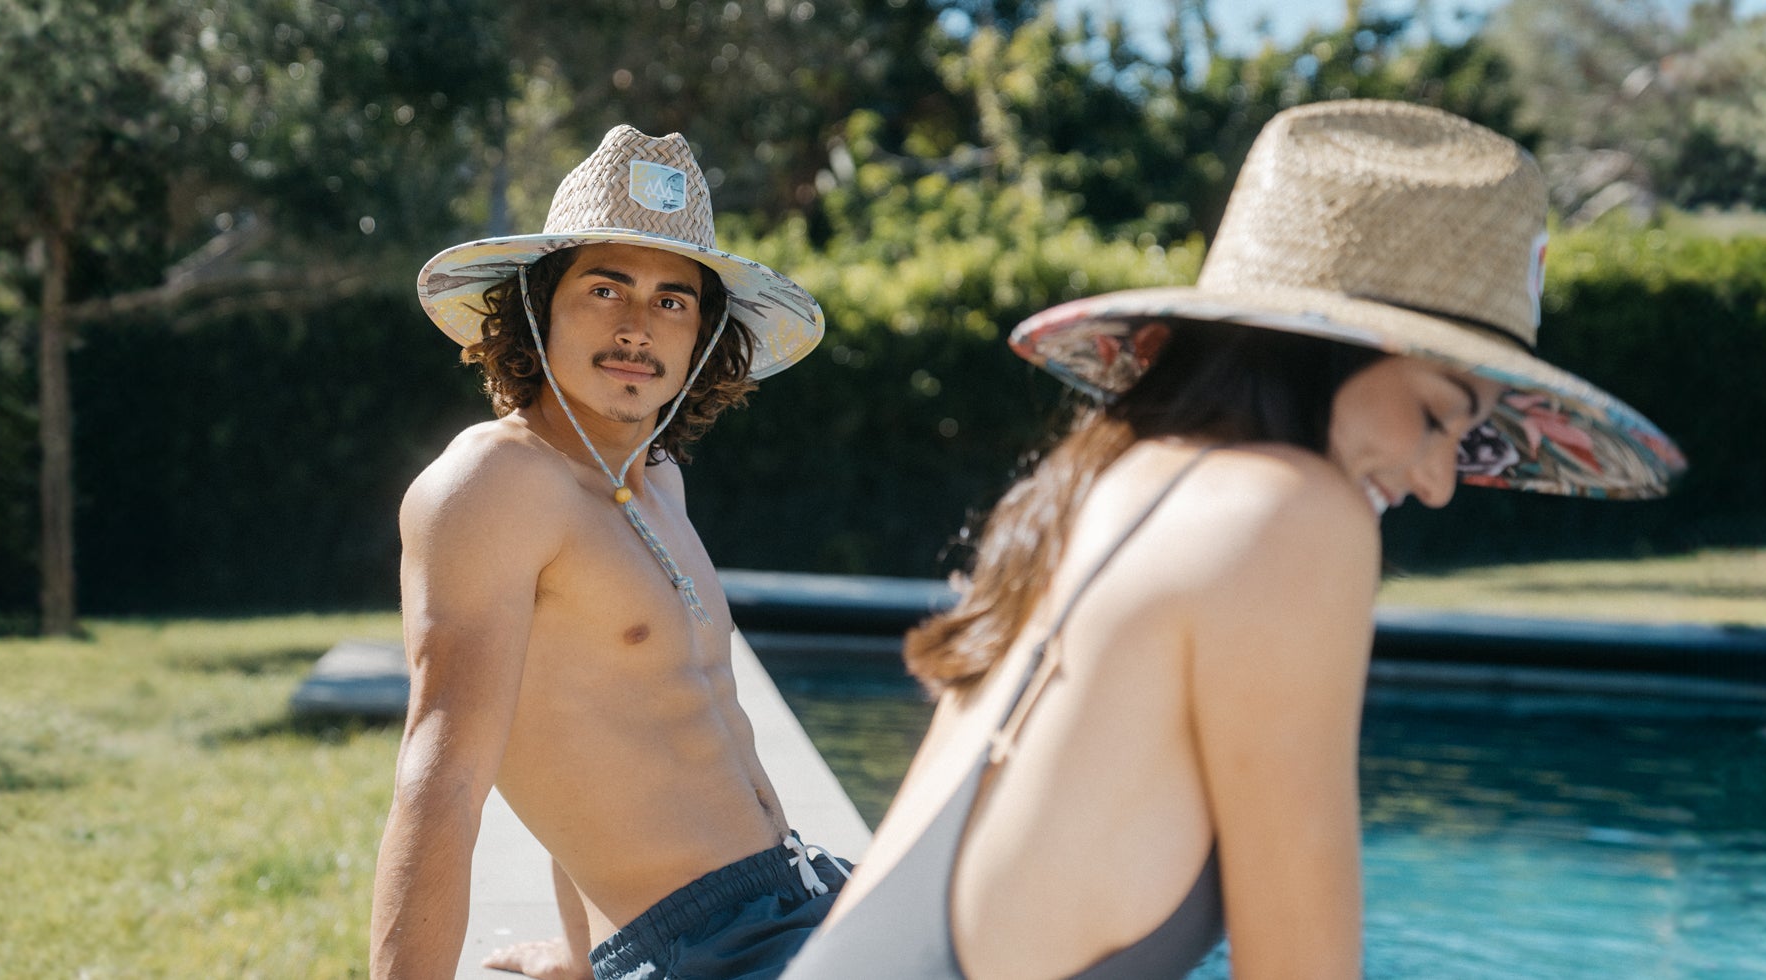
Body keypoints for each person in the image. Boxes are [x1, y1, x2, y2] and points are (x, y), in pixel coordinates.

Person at [786, 100, 1682, 979]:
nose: (1442, 481)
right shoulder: (1290, 516)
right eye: (1437, 416)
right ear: (1319, 349)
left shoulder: (1093, 486)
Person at [371, 127, 844, 980]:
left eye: (672, 300)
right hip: (712, 949)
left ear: (701, 334)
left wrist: (584, 957)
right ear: (538, 305)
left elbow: (588, 731)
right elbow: (442, 782)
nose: (637, 327)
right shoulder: (493, 484)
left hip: (800, 896)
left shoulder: (655, 477)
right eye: (605, 287)